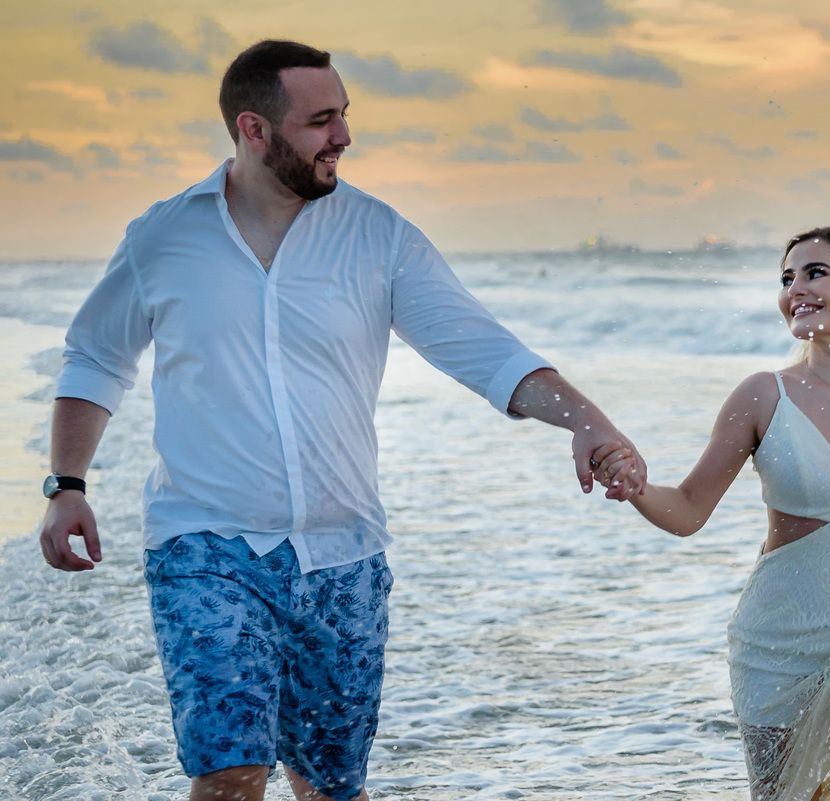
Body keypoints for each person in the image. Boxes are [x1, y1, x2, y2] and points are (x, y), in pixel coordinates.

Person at [37, 40, 645, 801]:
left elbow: (483, 349)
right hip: (207, 544)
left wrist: (584, 420)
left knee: (329, 788)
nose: (344, 137)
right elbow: (95, 358)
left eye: (345, 116)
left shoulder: (379, 237)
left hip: (344, 555)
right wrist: (67, 484)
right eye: (321, 120)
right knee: (230, 773)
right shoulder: (164, 238)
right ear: (254, 130)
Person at [593, 226, 830, 800]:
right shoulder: (762, 396)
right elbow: (688, 509)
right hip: (781, 634)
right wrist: (637, 487)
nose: (795, 290)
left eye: (814, 273)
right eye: (787, 278)